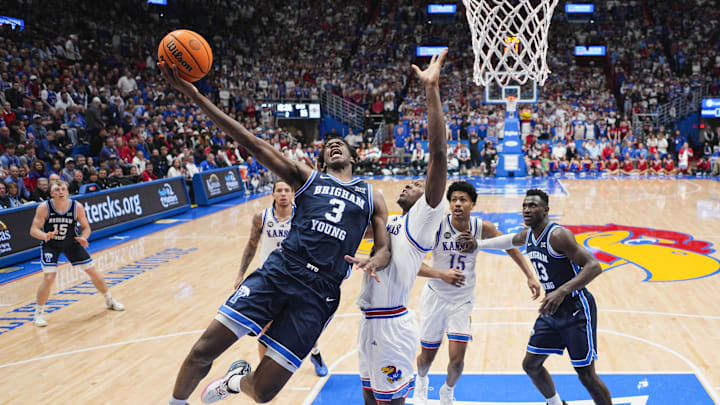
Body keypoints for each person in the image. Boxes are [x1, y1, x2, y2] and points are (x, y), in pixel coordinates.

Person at [159, 61, 390, 405]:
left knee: (264, 392)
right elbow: (250, 141)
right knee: (203, 350)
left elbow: (384, 248)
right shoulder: (307, 178)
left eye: (341, 143)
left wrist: (375, 260)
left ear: (354, 157)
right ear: (322, 159)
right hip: (281, 271)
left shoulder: (373, 195)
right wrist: (195, 96)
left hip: (321, 292)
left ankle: (237, 382)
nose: (334, 145)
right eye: (328, 145)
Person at [354, 49, 449, 405]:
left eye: (416, 185)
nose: (407, 186)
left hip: (391, 325)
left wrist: (431, 89)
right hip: (368, 322)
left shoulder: (423, 219)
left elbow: (438, 154)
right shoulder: (390, 222)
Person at [466, 189, 612, 405]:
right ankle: (555, 403)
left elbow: (593, 266)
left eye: (532, 206)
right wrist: (479, 245)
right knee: (531, 364)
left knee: (586, 375)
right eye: (525, 205)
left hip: (576, 308)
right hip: (552, 309)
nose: (526, 209)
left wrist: (562, 291)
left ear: (546, 210)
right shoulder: (529, 234)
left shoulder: (558, 235)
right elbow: (508, 241)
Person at [414, 181, 541, 405]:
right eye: (453, 200)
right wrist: (441, 274)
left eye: (463, 200)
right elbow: (413, 264)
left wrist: (529, 275)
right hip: (435, 297)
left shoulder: (482, 227)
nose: (457, 204)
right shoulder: (437, 227)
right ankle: (422, 381)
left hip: (462, 301)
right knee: (426, 358)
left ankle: (447, 391)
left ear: (473, 204)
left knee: (456, 360)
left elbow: (509, 245)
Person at [235, 181, 328, 377]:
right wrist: (240, 274)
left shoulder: (302, 215)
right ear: (273, 194)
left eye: (287, 190)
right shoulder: (261, 217)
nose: (283, 194)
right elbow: (252, 245)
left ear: (293, 194)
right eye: (279, 190)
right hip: (270, 279)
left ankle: (316, 353)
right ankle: (263, 372)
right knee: (265, 328)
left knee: (305, 325)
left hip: (299, 278)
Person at [30, 181, 125, 327]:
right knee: (49, 276)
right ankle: (39, 313)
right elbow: (33, 230)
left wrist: (84, 238)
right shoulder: (44, 207)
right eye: (57, 190)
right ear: (52, 193)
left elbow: (86, 228)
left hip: (72, 243)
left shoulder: (76, 207)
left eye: (63, 189)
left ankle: (109, 299)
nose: (61, 192)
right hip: (51, 244)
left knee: (92, 271)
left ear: (67, 192)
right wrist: (45, 236)